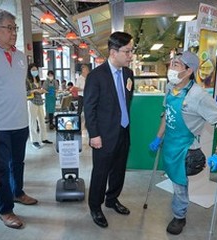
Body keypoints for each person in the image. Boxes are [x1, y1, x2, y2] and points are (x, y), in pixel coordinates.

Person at [149, 51, 217, 235]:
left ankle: (179, 217)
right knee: (173, 179)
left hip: (185, 149)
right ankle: (180, 209)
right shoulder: (171, 87)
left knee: (179, 185)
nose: (170, 68)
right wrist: (158, 137)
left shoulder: (198, 96)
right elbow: (167, 114)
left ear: (188, 71)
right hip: (169, 144)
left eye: (176, 65)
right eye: (171, 63)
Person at [0, 9, 37, 229]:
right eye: (9, 28)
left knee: (18, 162)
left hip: (20, 120)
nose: (14, 32)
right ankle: (5, 210)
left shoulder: (21, 56)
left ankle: (18, 192)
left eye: (15, 28)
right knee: (1, 169)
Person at [84, 31, 134, 228]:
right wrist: (94, 134)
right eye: (127, 51)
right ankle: (95, 206)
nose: (131, 55)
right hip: (103, 136)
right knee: (100, 172)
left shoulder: (129, 74)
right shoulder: (96, 76)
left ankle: (112, 199)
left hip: (123, 131)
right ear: (114, 52)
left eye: (132, 51)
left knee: (119, 170)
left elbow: (126, 100)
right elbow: (89, 107)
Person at [26, 63, 52, 148]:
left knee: (42, 121)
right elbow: (26, 92)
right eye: (33, 70)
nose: (35, 71)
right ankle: (34, 140)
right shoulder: (27, 80)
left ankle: (44, 138)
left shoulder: (38, 80)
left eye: (36, 70)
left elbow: (40, 89)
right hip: (32, 101)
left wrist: (42, 90)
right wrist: (35, 90)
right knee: (33, 122)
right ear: (29, 71)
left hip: (40, 102)